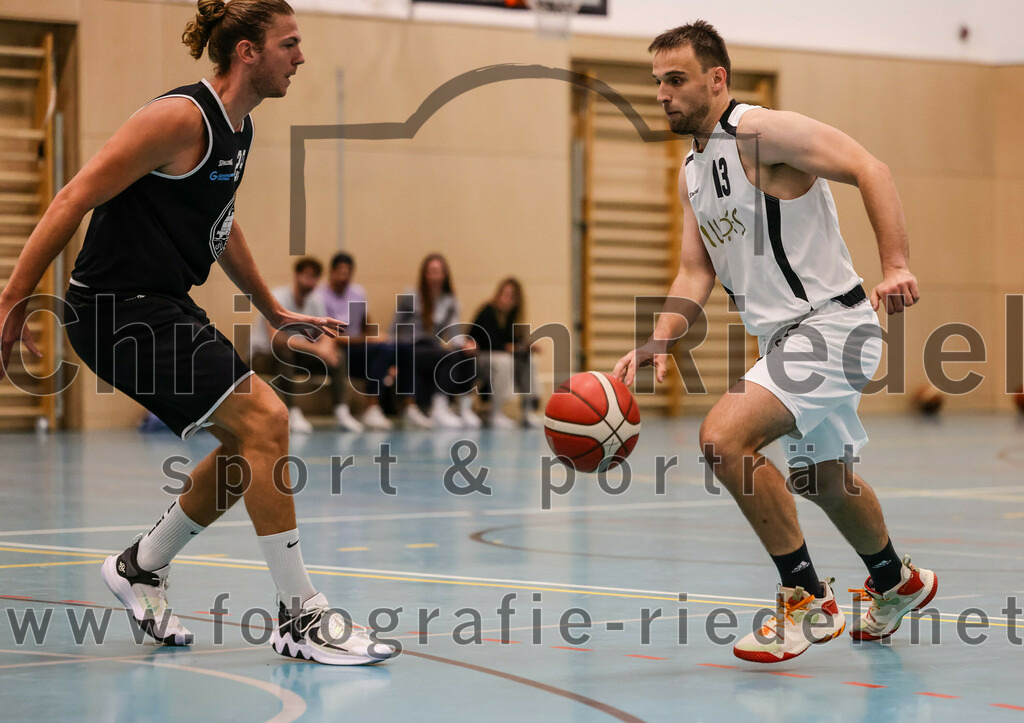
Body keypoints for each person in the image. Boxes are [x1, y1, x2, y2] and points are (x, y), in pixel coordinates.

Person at [0, 0, 394, 666]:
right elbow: (74, 196)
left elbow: (222, 222)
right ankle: (300, 616)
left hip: (161, 305)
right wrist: (13, 297)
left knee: (250, 445)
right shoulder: (180, 117)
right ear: (248, 52)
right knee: (267, 419)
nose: (300, 57)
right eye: (289, 44)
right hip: (115, 312)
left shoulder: (236, 130)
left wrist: (274, 310)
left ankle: (139, 566)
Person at [613, 20, 937, 664]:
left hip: (833, 327)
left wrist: (896, 263)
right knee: (821, 478)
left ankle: (805, 601)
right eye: (657, 83)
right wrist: (659, 339)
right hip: (786, 339)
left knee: (723, 439)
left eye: (675, 80)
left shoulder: (759, 132)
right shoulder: (692, 171)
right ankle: (895, 581)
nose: (662, 95)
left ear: (717, 78)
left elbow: (868, 167)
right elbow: (694, 270)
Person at [251, 256, 364, 433]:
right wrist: (316, 348)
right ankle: (292, 412)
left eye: (315, 277)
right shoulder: (278, 298)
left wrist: (326, 347)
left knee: (337, 356)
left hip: (297, 354)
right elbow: (278, 339)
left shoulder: (315, 301)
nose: (311, 281)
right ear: (296, 275)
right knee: (284, 353)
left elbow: (326, 331)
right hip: (264, 356)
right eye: (307, 275)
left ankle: (341, 411)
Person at [390, 253, 480, 429]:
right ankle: (439, 406)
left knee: (465, 354)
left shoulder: (450, 301)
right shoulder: (411, 295)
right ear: (424, 274)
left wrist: (466, 345)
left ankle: (464, 406)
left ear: (445, 275)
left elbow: (455, 333)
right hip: (411, 347)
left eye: (438, 272)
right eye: (431, 272)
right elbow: (394, 328)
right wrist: (392, 359)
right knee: (447, 356)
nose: (435, 276)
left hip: (432, 348)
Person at [319, 252, 398, 430]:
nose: (343, 278)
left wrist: (370, 338)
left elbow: (365, 324)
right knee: (378, 348)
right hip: (334, 347)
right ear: (331, 272)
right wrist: (368, 339)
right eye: (339, 273)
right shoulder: (320, 296)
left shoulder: (358, 293)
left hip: (356, 347)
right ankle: (347, 409)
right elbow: (330, 336)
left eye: (347, 273)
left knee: (388, 349)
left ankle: (373, 407)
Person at [470, 277, 542, 428]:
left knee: (530, 360)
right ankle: (496, 412)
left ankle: (528, 410)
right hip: (478, 360)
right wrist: (517, 347)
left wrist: (527, 346)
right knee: (503, 360)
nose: (506, 300)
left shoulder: (513, 320)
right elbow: (491, 344)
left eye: (511, 297)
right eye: (505, 294)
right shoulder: (487, 312)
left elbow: (516, 343)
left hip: (500, 358)